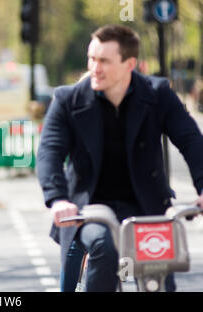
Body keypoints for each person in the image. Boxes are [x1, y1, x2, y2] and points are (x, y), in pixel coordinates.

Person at [36, 24, 203, 292]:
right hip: (89, 209)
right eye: (92, 58)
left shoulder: (157, 94)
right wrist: (57, 198)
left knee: (159, 278)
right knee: (106, 246)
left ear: (130, 64)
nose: (95, 67)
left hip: (146, 207)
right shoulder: (68, 99)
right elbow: (50, 151)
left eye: (104, 60)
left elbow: (191, 140)